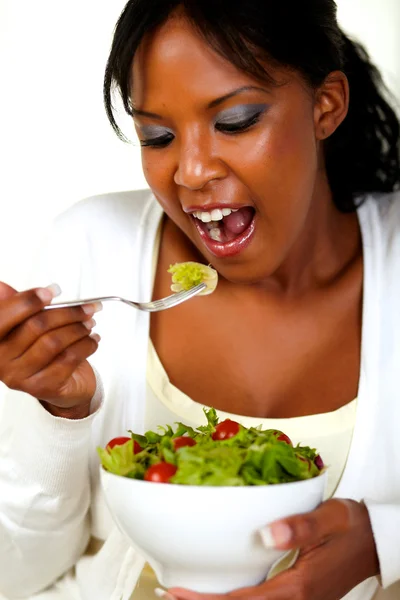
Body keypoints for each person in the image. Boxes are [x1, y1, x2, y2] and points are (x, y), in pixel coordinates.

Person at [1, 0, 400, 599]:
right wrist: (58, 416)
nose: (189, 172)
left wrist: (383, 543)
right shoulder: (89, 249)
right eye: (157, 135)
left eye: (235, 120)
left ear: (326, 105)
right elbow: (16, 573)